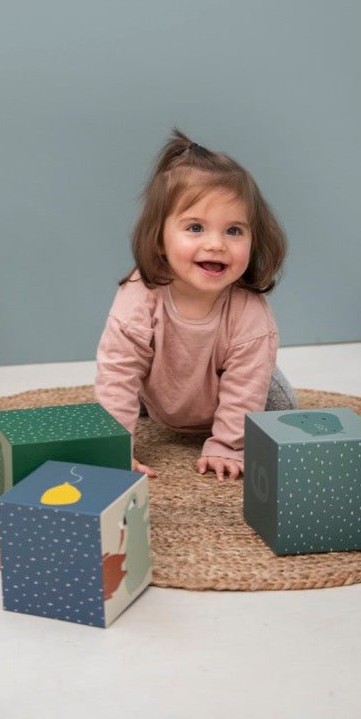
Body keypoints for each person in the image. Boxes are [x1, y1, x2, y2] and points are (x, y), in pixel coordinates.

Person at [94, 129, 297, 482]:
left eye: (234, 231)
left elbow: (245, 389)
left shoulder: (248, 312)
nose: (217, 244)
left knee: (282, 410)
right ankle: (155, 403)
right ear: (159, 239)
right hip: (163, 380)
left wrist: (227, 446)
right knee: (121, 391)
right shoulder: (139, 296)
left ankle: (242, 410)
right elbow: (119, 372)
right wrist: (116, 450)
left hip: (234, 381)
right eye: (196, 228)